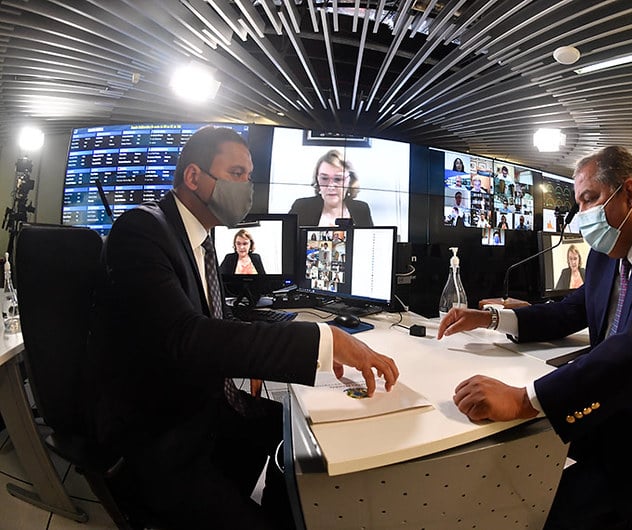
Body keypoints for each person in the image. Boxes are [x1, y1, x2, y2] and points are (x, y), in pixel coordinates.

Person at [88, 126, 399, 530]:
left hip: (205, 411)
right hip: (161, 438)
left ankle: (277, 502)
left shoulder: (198, 237)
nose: (247, 187)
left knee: (294, 436)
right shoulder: (142, 230)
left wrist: (254, 349)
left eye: (249, 176)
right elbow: (186, 337)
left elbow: (210, 320)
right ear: (194, 177)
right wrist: (326, 339)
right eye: (237, 173)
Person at [437, 145, 632, 529]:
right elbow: (568, 311)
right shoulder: (606, 254)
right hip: (613, 415)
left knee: (540, 511)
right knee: (502, 471)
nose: (583, 215)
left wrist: (525, 400)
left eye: (590, 199)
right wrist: (492, 318)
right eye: (578, 204)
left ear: (629, 193)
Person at [289, 149, 374, 227]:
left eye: (338, 179)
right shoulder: (301, 207)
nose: (331, 186)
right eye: (324, 178)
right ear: (317, 180)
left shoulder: (362, 209)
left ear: (350, 181)